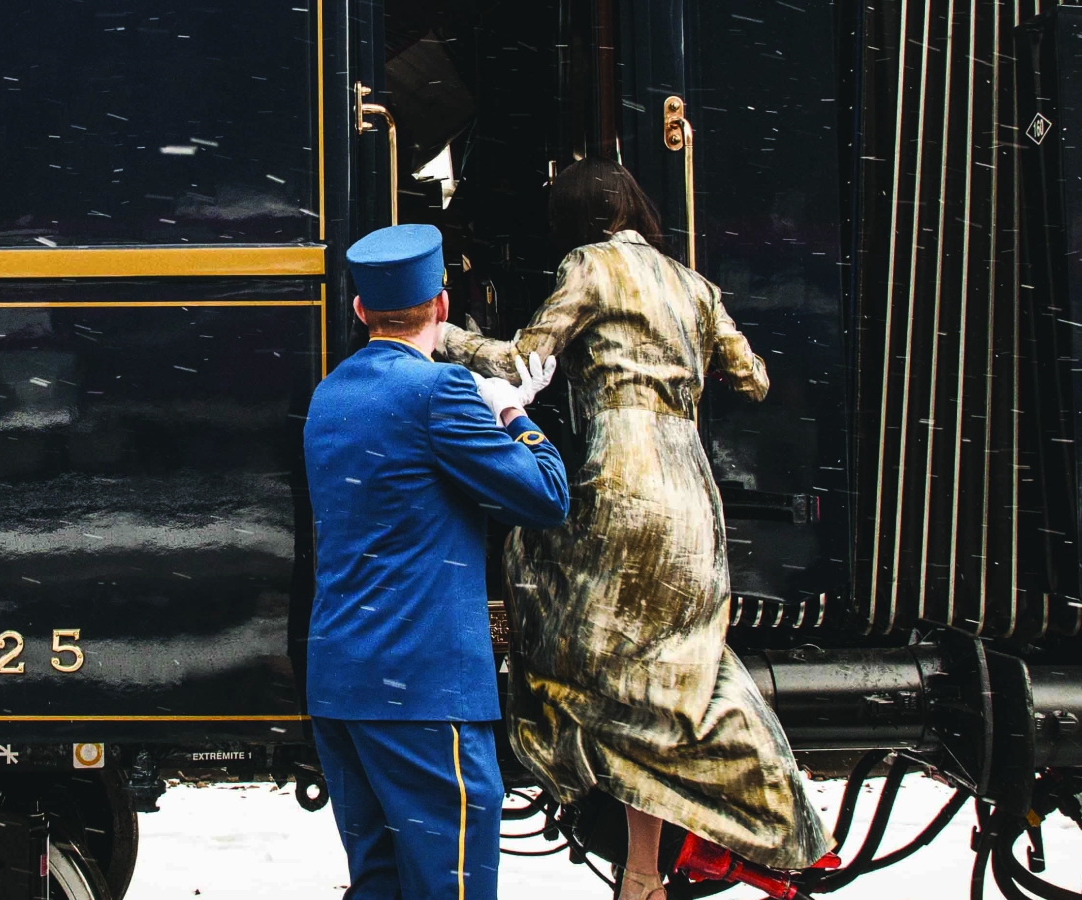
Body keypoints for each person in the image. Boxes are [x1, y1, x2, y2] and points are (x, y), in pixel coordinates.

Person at [436, 159, 832, 900]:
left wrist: (453, 339)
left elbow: (528, 358)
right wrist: (683, 363)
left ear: (574, 220)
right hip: (690, 492)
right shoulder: (693, 283)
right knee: (668, 675)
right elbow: (755, 380)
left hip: (621, 475)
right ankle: (649, 869)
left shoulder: (588, 265)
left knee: (573, 647)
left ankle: (585, 789)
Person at [303, 223, 571, 900]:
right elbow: (546, 497)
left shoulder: (328, 397)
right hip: (422, 691)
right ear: (443, 307)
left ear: (362, 311)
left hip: (343, 685)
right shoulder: (441, 394)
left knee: (380, 885)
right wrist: (511, 411)